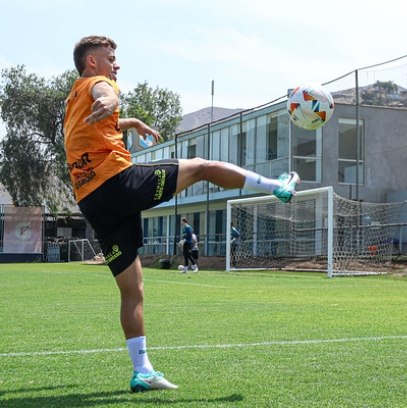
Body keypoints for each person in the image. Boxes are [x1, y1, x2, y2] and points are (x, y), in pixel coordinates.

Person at [63, 35, 300, 392]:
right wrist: (111, 96)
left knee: (133, 291)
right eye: (111, 57)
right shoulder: (99, 83)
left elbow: (100, 117)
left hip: (92, 202)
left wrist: (131, 123)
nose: (117, 64)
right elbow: (105, 95)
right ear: (92, 62)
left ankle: (142, 371)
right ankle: (275, 186)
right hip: (117, 182)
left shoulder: (72, 101)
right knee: (202, 166)